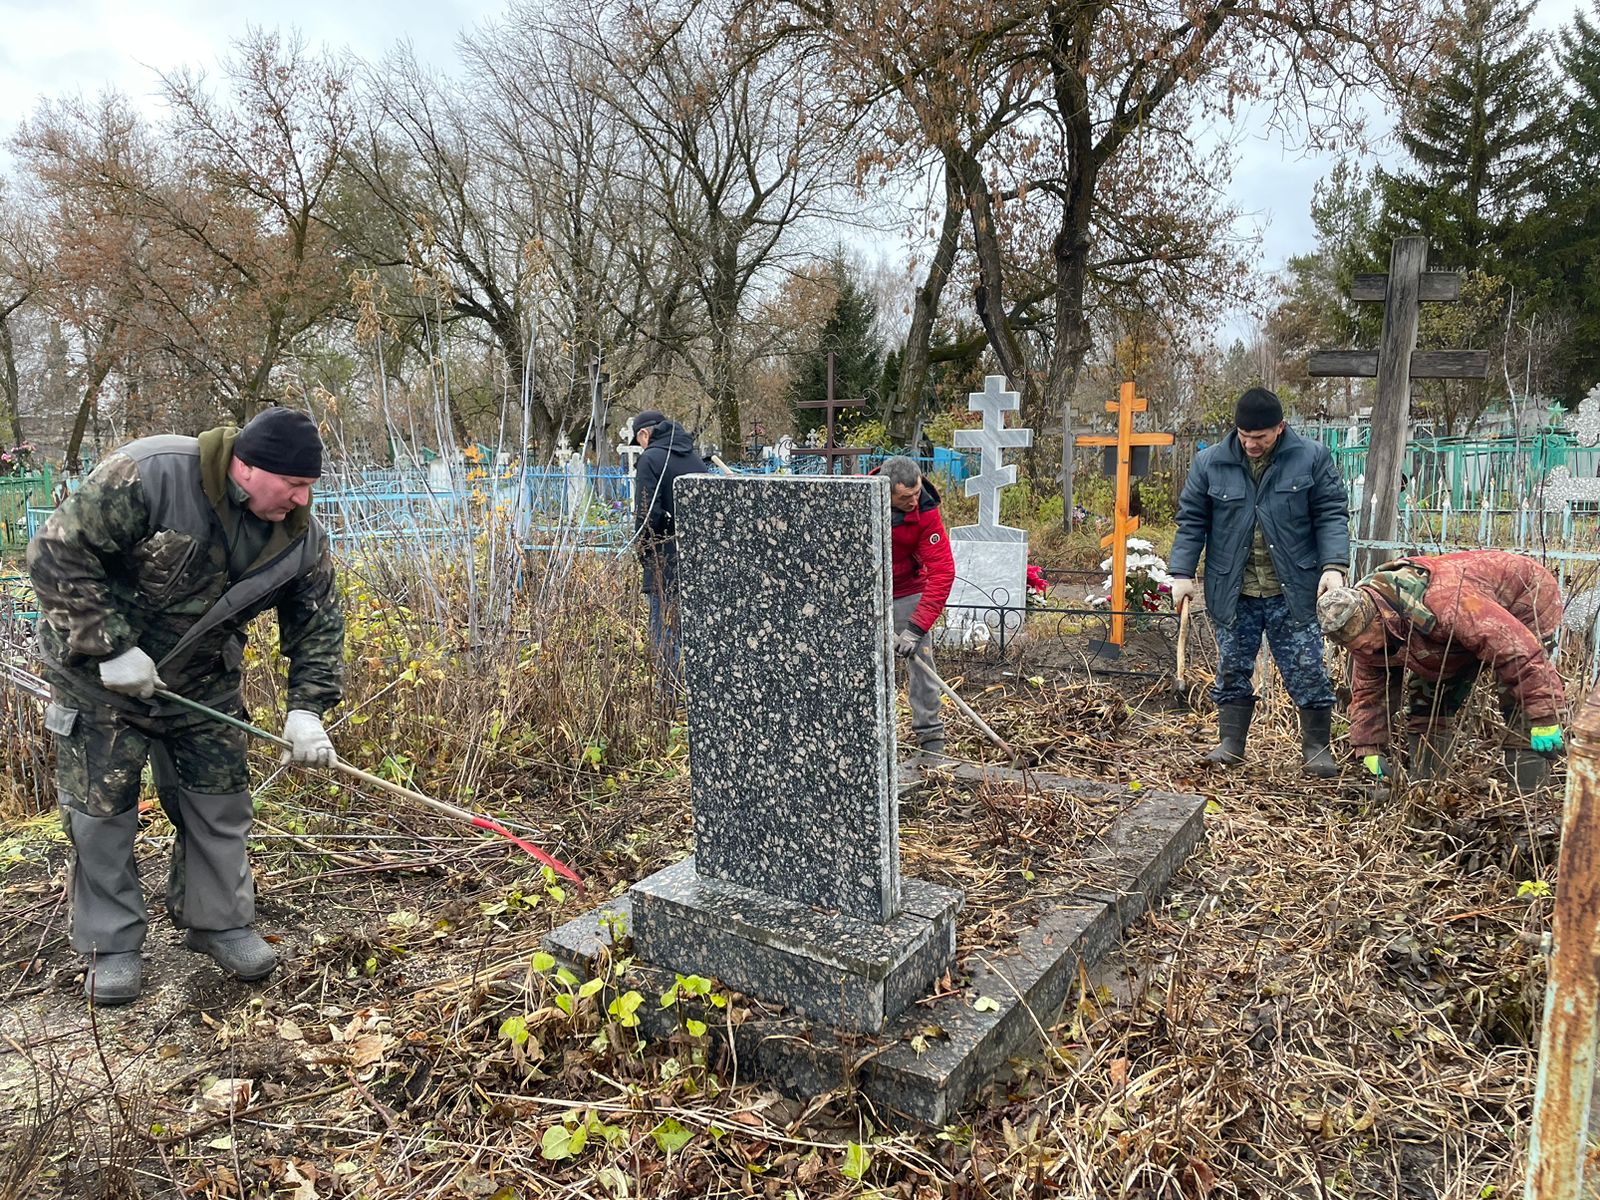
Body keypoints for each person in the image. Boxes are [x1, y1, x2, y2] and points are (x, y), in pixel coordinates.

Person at [27, 407, 344, 1004]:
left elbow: (318, 624)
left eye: (309, 487)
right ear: (247, 468)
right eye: (294, 485)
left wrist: (308, 708)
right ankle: (112, 945)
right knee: (102, 813)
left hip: (201, 683)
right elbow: (55, 553)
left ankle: (217, 921)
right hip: (98, 680)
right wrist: (110, 645)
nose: (302, 499)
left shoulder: (298, 537)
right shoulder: (152, 474)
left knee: (219, 801)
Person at [1168, 387, 1350, 775]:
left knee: (1307, 667)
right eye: (1244, 435)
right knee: (1233, 666)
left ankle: (1316, 747)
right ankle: (1231, 744)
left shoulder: (1311, 458)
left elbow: (1331, 513)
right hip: (1234, 589)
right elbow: (1192, 522)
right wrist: (1182, 573)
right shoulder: (1209, 463)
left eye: (1260, 437)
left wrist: (1333, 565)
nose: (1251, 443)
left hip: (1294, 588)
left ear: (1280, 429)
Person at [1317, 550, 1566, 792]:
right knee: (1427, 700)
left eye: (1365, 640)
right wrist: (1369, 748)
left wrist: (1544, 715)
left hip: (1522, 596)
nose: (1365, 649)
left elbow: (1518, 651)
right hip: (1448, 633)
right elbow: (1369, 693)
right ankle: (1430, 787)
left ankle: (1527, 796)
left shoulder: (1446, 602)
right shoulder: (1362, 631)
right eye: (1355, 647)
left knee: (1519, 700)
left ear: (1379, 619)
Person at [874, 455, 956, 762]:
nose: (914, 500)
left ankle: (931, 737)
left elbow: (943, 570)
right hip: (865, 592)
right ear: (886, 491)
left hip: (908, 590)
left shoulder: (926, 511)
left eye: (917, 492)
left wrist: (915, 628)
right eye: (905, 497)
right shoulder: (859, 495)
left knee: (922, 661)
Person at [632, 410, 707, 697]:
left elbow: (646, 515)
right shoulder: (694, 457)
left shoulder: (650, 459)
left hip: (665, 559)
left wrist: (644, 553)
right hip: (698, 559)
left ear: (644, 434)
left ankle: (668, 695)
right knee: (692, 630)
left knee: (664, 631)